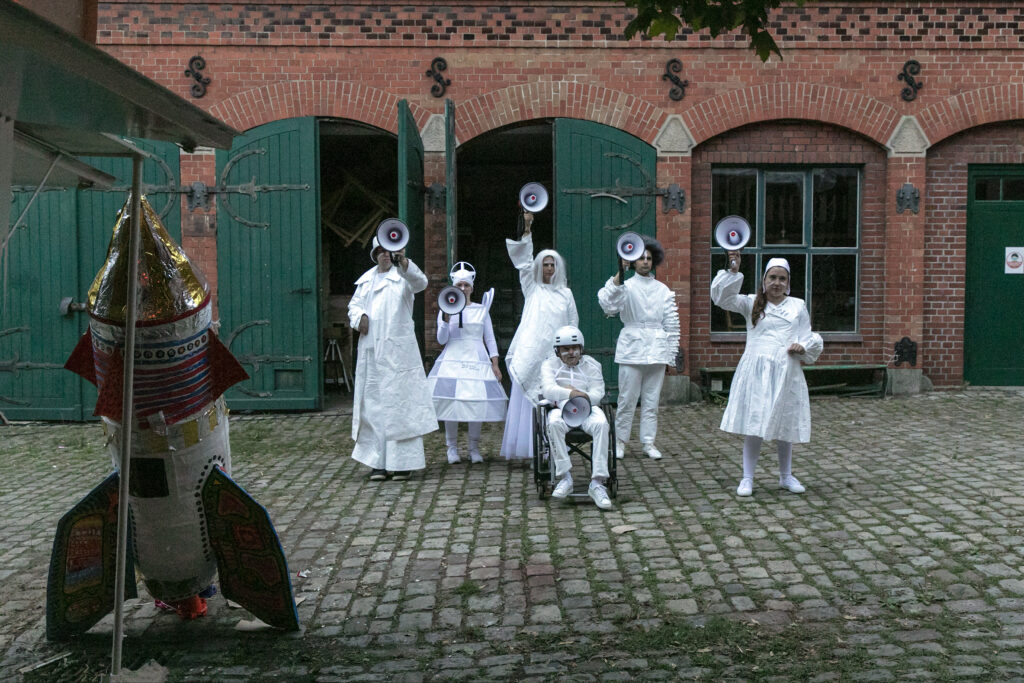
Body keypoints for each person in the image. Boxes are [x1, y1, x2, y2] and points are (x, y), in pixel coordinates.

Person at [710, 252, 823, 497]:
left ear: (788, 282)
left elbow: (807, 335)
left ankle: (785, 476)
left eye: (782, 279)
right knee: (755, 423)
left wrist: (802, 347)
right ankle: (747, 478)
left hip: (786, 372)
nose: (777, 283)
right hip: (757, 372)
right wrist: (733, 271)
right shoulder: (751, 302)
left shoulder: (797, 306)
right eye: (772, 277)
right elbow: (722, 298)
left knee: (785, 424)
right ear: (764, 280)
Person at [348, 236, 437, 481]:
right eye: (380, 251)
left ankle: (402, 463)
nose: (385, 255)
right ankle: (378, 462)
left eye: (389, 251)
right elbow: (353, 306)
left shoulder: (403, 277)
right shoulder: (366, 281)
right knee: (374, 408)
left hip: (398, 355)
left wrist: (405, 262)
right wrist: (359, 318)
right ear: (374, 254)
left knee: (401, 407)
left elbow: (421, 283)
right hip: (372, 354)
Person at [500, 210, 579, 460]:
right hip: (532, 351)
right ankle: (531, 447)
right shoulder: (531, 288)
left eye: (552, 264)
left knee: (554, 398)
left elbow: (572, 324)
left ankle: (554, 445)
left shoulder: (566, 293)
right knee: (530, 400)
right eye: (544, 264)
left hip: (555, 354)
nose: (548, 268)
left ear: (558, 267)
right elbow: (524, 262)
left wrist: (570, 350)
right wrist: (527, 229)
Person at [597, 236, 679, 460]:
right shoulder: (624, 286)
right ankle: (621, 441)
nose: (645, 262)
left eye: (649, 258)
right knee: (626, 399)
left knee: (651, 400)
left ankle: (648, 442)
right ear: (633, 261)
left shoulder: (662, 290)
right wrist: (619, 273)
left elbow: (671, 323)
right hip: (632, 346)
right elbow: (608, 304)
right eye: (641, 258)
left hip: (656, 347)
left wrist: (670, 354)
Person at [427, 261, 508, 464]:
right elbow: (441, 339)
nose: (463, 289)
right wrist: (446, 318)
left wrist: (495, 363)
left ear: (472, 287)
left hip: (476, 358)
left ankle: (473, 447)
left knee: (475, 402)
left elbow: (489, 338)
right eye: (459, 285)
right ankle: (451, 448)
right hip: (453, 358)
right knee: (451, 404)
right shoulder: (445, 309)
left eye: (466, 285)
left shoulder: (481, 309)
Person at [540, 325, 612, 510]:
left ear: (581, 348)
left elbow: (598, 392)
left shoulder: (592, 365)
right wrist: (571, 393)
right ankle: (565, 477)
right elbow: (548, 390)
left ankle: (597, 483)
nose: (571, 353)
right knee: (554, 422)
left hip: (588, 407)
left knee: (602, 424)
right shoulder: (549, 365)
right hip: (560, 407)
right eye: (565, 349)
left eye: (575, 348)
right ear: (557, 351)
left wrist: (581, 399)